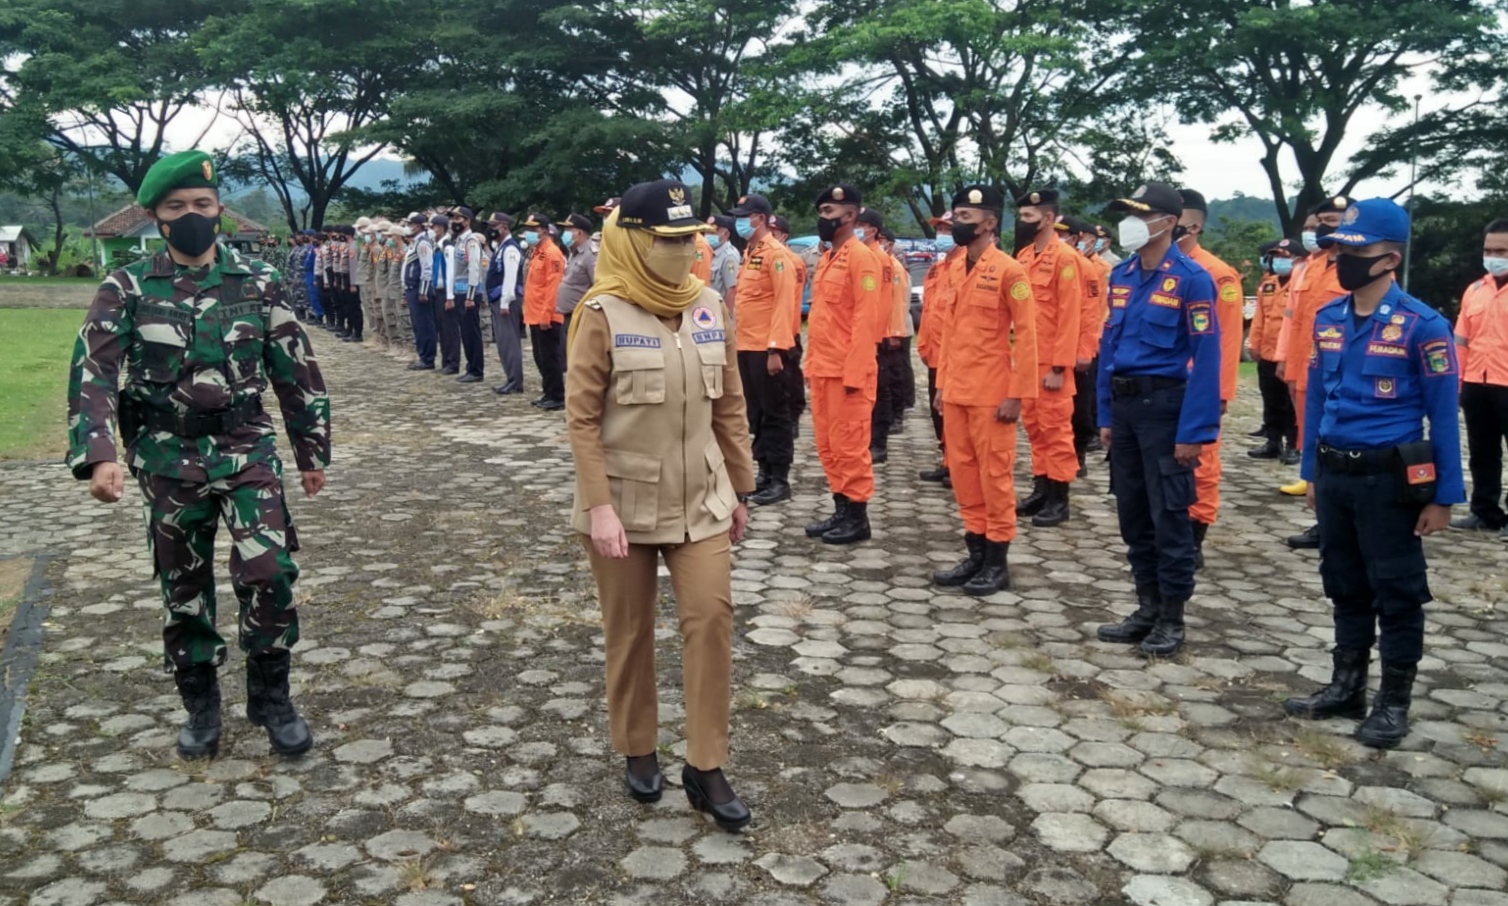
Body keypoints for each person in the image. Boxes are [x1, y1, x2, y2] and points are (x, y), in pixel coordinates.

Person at [64, 150, 329, 759]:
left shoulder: (257, 282)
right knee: (183, 586)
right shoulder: (127, 285)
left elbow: (296, 370)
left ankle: (270, 696)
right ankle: (201, 704)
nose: (191, 215)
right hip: (166, 455)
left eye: (202, 206)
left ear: (219, 213)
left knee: (270, 571)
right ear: (156, 217)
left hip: (246, 450)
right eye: (176, 207)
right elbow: (95, 370)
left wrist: (311, 450)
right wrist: (100, 453)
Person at [565, 178, 755, 831]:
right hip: (623, 501)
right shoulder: (602, 312)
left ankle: (706, 764)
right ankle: (638, 747)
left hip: (702, 496)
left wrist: (741, 486)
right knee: (631, 630)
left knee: (711, 620)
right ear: (637, 240)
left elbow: (729, 403)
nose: (684, 251)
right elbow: (582, 420)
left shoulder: (708, 304)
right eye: (670, 240)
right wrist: (598, 508)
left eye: (690, 238)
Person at [1282, 198, 1462, 749]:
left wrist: (1444, 497)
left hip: (1388, 481)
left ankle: (1394, 702)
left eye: (1359, 252)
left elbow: (1443, 417)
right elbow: (1317, 401)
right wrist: (1311, 470)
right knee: (1344, 584)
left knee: (1397, 591)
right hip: (1335, 474)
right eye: (1342, 250)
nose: (1345, 260)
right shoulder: (1329, 318)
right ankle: (1347, 685)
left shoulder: (1423, 326)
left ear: (1391, 258)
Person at [1094, 183, 1221, 658]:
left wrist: (1196, 430)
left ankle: (1172, 616)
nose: (1129, 222)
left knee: (1169, 517)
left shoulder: (1192, 279)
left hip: (1166, 409)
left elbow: (1207, 358)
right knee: (1133, 513)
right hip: (1125, 409)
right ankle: (1145, 606)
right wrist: (1105, 413)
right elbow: (1110, 348)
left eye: (1138, 214)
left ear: (1167, 223)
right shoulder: (1123, 275)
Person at [931, 185, 1039, 595]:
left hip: (993, 395)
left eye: (966, 218)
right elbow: (949, 334)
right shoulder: (958, 268)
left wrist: (1017, 394)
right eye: (956, 216)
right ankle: (975, 551)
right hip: (958, 391)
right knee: (964, 475)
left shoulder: (1011, 271)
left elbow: (1027, 337)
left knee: (994, 476)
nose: (958, 224)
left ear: (990, 223)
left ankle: (997, 560)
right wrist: (942, 384)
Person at [803, 185, 886, 545]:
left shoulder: (862, 258)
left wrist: (855, 373)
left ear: (850, 216)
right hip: (822, 368)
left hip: (847, 373)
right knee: (828, 445)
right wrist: (810, 366)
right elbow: (823, 319)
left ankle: (857, 517)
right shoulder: (827, 258)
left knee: (850, 446)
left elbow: (866, 322)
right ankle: (841, 508)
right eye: (822, 212)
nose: (824, 219)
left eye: (829, 212)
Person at [1176, 189, 1244, 569]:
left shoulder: (1217, 274)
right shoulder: (1156, 268)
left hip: (1199, 384)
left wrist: (1219, 393)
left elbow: (1229, 338)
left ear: (1194, 225)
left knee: (1202, 461)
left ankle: (1195, 534)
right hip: (1164, 382)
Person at [1279, 198, 1350, 550]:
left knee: (1337, 445)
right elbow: (1294, 320)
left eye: (1332, 221)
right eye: (1320, 221)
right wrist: (1286, 362)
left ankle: (1336, 523)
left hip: (1341, 371)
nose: (1323, 229)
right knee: (1311, 442)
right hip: (1305, 367)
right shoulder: (1310, 267)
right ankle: (1323, 519)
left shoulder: (1357, 268)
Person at [1013, 189, 1083, 528]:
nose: (1022, 222)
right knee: (1035, 428)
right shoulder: (1025, 256)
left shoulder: (1065, 259)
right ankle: (1041, 488)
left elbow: (1070, 316)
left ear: (1049, 218)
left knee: (1056, 431)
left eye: (1028, 217)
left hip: (1052, 362)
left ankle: (1059, 498)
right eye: (1021, 216)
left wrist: (1060, 366)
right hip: (1027, 359)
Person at [729, 194, 800, 505]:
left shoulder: (776, 254)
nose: (739, 222)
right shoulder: (751, 251)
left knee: (775, 413)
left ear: (759, 218)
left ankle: (779, 478)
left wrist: (776, 349)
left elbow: (785, 304)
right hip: (746, 345)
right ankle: (764, 471)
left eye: (745, 216)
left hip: (766, 348)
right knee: (755, 413)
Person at [1450, 219, 1508, 533]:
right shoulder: (1474, 291)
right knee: (1482, 453)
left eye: (1501, 250)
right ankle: (1484, 512)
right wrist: (1458, 383)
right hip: (1477, 382)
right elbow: (1461, 340)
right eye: (1488, 250)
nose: (1493, 256)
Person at [917, 212, 961, 485]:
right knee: (938, 412)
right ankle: (947, 460)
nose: (942, 234)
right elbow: (930, 310)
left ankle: (958, 465)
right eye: (940, 229)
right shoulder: (939, 268)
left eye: (947, 229)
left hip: (955, 357)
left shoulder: (965, 268)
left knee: (953, 415)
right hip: (935, 354)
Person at [1247, 239, 1300, 463]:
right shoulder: (1268, 284)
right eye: (1277, 256)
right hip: (1267, 352)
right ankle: (1273, 441)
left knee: (1291, 404)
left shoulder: (1301, 284)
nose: (1279, 260)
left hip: (1290, 354)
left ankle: (1293, 445)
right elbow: (1259, 318)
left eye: (1285, 256)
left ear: (1298, 259)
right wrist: (1254, 344)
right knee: (1271, 400)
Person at [856, 208, 901, 464]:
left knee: (880, 390)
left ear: (873, 229)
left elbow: (885, 301)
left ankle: (879, 443)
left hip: (877, 335)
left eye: (861, 224)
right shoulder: (860, 255)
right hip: (862, 335)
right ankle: (865, 439)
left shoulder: (881, 259)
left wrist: (880, 336)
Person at [523, 213, 567, 410]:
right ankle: (548, 391)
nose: (529, 232)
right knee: (540, 357)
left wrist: (546, 313)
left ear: (542, 230)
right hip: (534, 312)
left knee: (549, 357)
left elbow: (553, 286)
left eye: (533, 229)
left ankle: (557, 395)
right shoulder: (537, 251)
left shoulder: (552, 253)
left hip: (546, 314)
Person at [769, 215, 808, 429]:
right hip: (770, 329)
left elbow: (791, 297)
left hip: (788, 328)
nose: (770, 235)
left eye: (774, 231)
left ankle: (794, 412)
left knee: (790, 374)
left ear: (784, 235)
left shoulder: (793, 261)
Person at [486, 212, 526, 394]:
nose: (491, 230)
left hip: (507, 301)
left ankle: (515, 381)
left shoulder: (510, 249)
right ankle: (510, 378)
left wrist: (504, 302)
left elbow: (510, 278)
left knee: (509, 342)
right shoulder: (501, 247)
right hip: (499, 299)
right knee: (503, 342)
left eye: (494, 226)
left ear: (503, 226)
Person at [445, 207, 486, 383]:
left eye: (458, 218)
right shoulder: (459, 241)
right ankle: (471, 366)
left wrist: (470, 295)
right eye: (453, 218)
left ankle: (476, 369)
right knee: (465, 332)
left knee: (471, 332)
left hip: (469, 293)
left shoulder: (471, 241)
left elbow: (474, 268)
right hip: (460, 291)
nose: (455, 221)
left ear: (467, 221)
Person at [556, 212, 599, 366]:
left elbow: (598, 286)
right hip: (569, 315)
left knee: (581, 359)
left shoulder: (591, 255)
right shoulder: (574, 253)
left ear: (579, 233)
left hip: (581, 315)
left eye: (568, 230)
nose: (564, 234)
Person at [404, 212, 437, 370]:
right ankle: (422, 355)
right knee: (417, 325)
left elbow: (427, 268)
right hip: (412, 287)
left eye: (411, 224)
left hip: (419, 289)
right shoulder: (415, 243)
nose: (409, 227)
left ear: (417, 226)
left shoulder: (423, 243)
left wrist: (423, 291)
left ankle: (427, 358)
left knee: (424, 325)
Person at [707, 215, 741, 311]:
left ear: (726, 235)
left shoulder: (729, 257)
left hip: (720, 313)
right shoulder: (709, 252)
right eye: (707, 232)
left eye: (713, 232)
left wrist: (726, 318)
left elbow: (732, 290)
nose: (708, 235)